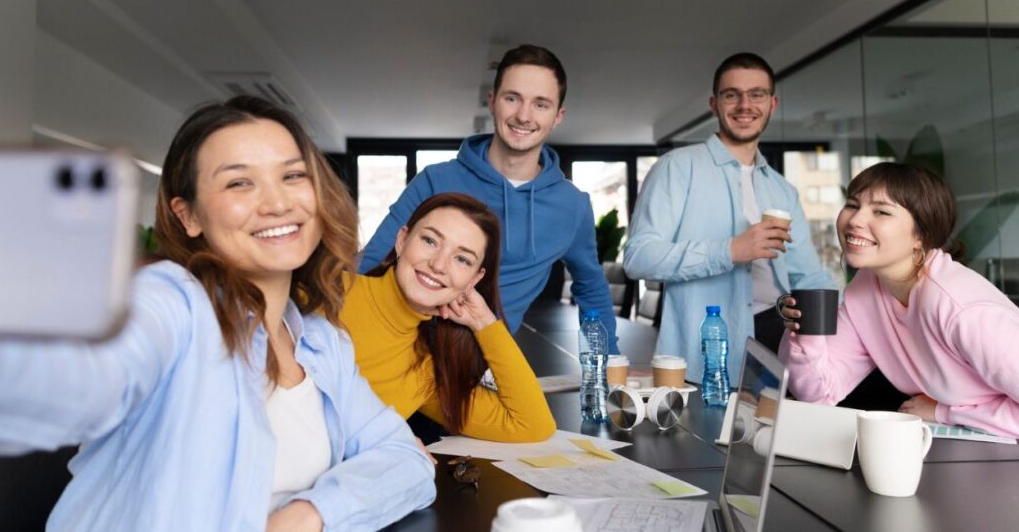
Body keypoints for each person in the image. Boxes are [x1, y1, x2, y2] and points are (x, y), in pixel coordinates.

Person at [0, 96, 435, 530]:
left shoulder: (322, 342)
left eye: (293, 175)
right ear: (188, 216)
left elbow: (406, 458)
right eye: (239, 183)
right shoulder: (178, 304)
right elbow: (93, 369)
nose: (278, 203)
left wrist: (308, 515)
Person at [359, 44, 620, 354]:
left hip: (480, 364)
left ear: (558, 116)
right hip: (399, 349)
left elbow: (591, 291)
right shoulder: (436, 180)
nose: (524, 115)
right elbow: (372, 266)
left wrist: (609, 369)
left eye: (541, 104)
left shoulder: (572, 206)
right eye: (513, 98)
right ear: (493, 101)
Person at [624, 52, 834, 382]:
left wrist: (841, 328)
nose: (744, 105)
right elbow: (638, 258)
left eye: (756, 94)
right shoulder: (677, 168)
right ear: (714, 104)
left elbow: (808, 276)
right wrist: (731, 250)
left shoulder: (783, 190)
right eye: (732, 94)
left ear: (772, 103)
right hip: (703, 354)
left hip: (779, 346)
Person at [779, 163, 1019, 438]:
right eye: (853, 205)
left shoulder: (963, 311)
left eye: (881, 211)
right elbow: (819, 394)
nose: (855, 220)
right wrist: (805, 331)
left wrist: (946, 412)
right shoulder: (867, 286)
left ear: (921, 235)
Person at [344, 192, 556, 443]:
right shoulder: (328, 292)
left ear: (474, 279)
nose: (439, 265)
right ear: (402, 240)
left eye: (462, 259)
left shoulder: (423, 371)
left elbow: (531, 424)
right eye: (430, 241)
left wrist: (484, 323)